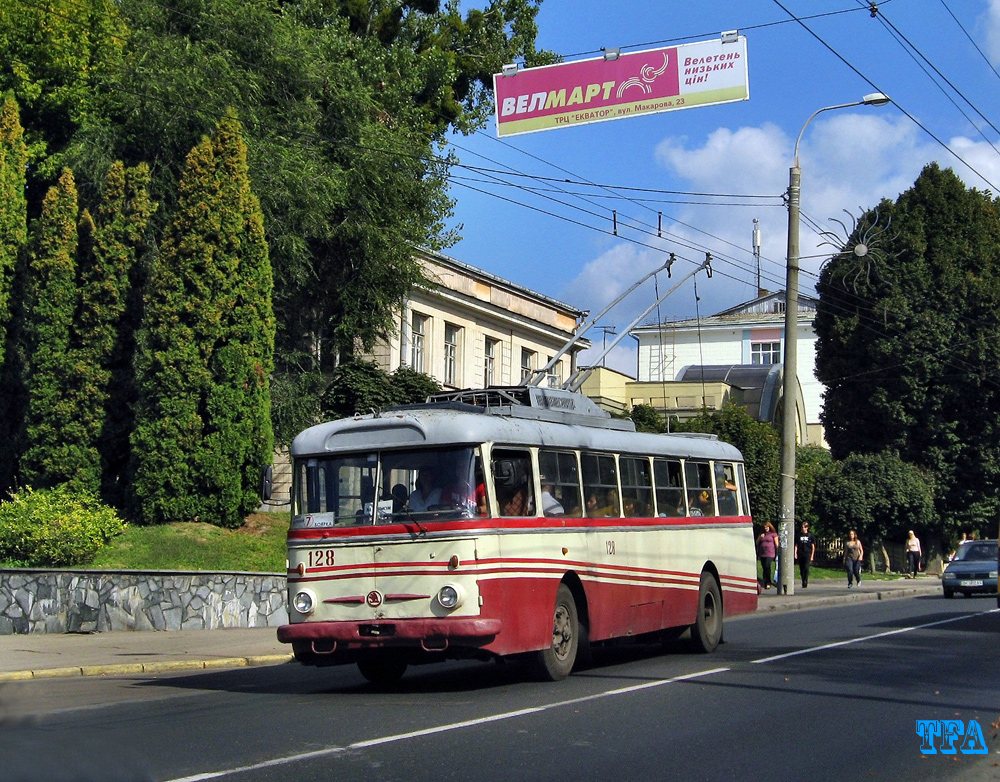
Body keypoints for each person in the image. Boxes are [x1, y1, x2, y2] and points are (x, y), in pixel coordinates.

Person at [756, 522, 779, 590]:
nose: (765, 528)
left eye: (767, 527)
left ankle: (768, 582)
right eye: (764, 527)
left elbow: (776, 544)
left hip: (770, 553)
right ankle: (765, 581)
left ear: (770, 527)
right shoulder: (762, 535)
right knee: (764, 568)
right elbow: (757, 542)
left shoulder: (773, 534)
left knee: (767, 566)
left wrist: (778, 552)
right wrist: (760, 537)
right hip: (763, 553)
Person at [796, 522, 816, 588]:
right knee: (801, 568)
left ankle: (805, 581)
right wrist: (795, 553)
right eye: (802, 527)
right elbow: (796, 545)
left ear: (807, 527)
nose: (802, 528)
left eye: (804, 527)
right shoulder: (799, 535)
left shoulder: (810, 536)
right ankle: (802, 580)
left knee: (806, 567)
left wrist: (812, 555)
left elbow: (813, 546)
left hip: (807, 553)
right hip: (800, 553)